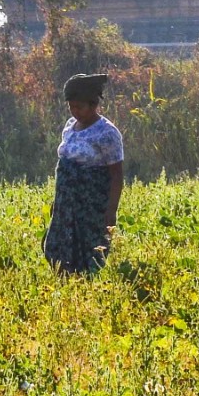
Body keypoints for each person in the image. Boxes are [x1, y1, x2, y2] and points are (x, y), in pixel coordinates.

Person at [44, 72, 124, 274]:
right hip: (66, 202)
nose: (74, 111)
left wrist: (111, 209)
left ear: (93, 104)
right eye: (71, 106)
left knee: (90, 248)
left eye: (79, 107)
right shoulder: (70, 127)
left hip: (90, 204)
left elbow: (116, 175)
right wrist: (58, 200)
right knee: (57, 247)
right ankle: (65, 282)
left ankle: (89, 285)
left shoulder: (107, 133)